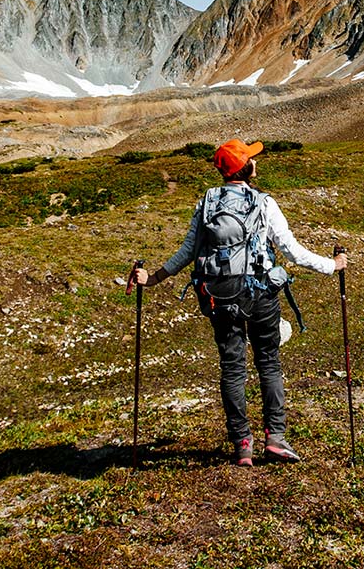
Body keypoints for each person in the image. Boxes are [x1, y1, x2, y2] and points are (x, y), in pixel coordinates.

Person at [132, 139, 347, 466]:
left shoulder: (207, 202)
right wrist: (332, 266)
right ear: (247, 168)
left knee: (232, 368)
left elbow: (188, 251)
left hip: (218, 295)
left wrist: (154, 278)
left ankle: (242, 444)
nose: (256, 162)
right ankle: (275, 439)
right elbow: (292, 251)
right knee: (268, 363)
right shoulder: (263, 203)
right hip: (260, 293)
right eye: (252, 159)